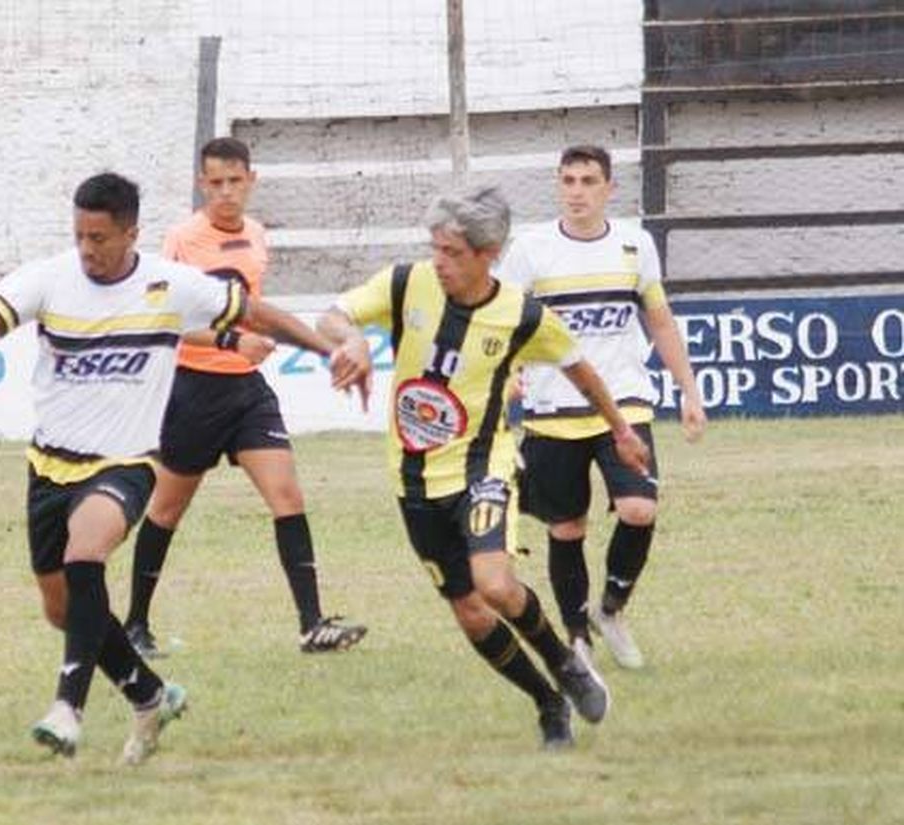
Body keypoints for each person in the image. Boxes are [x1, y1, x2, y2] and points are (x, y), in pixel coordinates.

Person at [0, 172, 368, 764]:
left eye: (99, 237)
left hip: (124, 464)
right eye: (79, 236)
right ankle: (150, 695)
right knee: (63, 609)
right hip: (50, 465)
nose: (87, 249)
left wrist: (328, 349)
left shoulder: (170, 284)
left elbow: (258, 315)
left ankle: (67, 708)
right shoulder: (49, 278)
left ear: (131, 233)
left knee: (86, 555)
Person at [317, 185, 649, 749]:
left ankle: (564, 663)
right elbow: (335, 315)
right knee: (471, 614)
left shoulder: (522, 314)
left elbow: (582, 371)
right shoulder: (406, 283)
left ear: (488, 253)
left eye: (452, 253)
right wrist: (352, 340)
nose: (439, 262)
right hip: (413, 478)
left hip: (483, 467)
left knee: (494, 584)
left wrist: (620, 430)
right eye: (435, 249)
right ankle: (547, 705)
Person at [122, 137, 366, 658]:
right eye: (216, 183)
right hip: (192, 392)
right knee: (166, 511)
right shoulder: (182, 240)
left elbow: (256, 307)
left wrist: (327, 351)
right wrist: (233, 341)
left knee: (288, 498)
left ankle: (312, 624)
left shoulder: (256, 235)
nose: (227, 193)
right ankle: (135, 626)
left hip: (246, 393)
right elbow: (165, 324)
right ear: (201, 184)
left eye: (236, 182)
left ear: (251, 181)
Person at [497, 145, 706, 670]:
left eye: (588, 181)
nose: (577, 191)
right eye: (568, 181)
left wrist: (688, 389)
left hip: (624, 406)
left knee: (640, 509)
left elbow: (659, 320)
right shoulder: (531, 250)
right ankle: (577, 639)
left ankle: (610, 608)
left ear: (609, 188)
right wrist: (510, 373)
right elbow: (505, 322)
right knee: (566, 528)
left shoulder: (635, 245)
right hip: (552, 410)